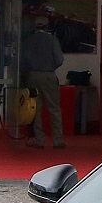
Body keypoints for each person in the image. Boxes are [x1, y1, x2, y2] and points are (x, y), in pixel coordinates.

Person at [20, 15, 66, 149]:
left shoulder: (28, 41)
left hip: (33, 76)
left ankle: (40, 140)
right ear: (47, 26)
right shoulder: (52, 39)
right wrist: (50, 67)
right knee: (54, 108)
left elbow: (24, 60)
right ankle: (58, 140)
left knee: (36, 109)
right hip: (48, 75)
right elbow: (59, 59)